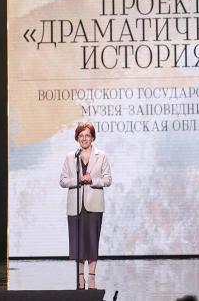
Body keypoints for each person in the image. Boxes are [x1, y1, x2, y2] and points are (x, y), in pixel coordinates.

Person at [59, 122, 112, 289]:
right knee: (78, 243)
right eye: (81, 135)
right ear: (77, 138)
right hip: (75, 206)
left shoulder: (101, 155)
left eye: (87, 135)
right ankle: (80, 277)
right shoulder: (70, 156)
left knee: (92, 242)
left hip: (94, 205)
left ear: (93, 137)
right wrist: (78, 180)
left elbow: (108, 179)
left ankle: (92, 277)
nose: (84, 138)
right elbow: (62, 181)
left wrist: (92, 180)